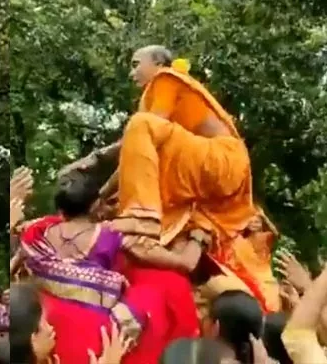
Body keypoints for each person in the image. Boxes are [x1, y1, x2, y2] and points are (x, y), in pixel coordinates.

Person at [63, 45, 278, 312]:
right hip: (210, 168)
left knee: (140, 126)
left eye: (135, 63)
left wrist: (94, 159)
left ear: (158, 64)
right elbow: (135, 154)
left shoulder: (166, 79)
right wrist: (103, 196)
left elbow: (141, 131)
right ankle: (149, 220)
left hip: (223, 159)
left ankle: (145, 218)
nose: (131, 73)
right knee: (135, 170)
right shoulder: (156, 123)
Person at [20, 169, 204, 364]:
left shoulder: (37, 232)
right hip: (94, 321)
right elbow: (186, 262)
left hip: (47, 309)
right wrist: (198, 236)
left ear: (61, 209)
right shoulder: (109, 236)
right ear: (95, 206)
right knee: (164, 289)